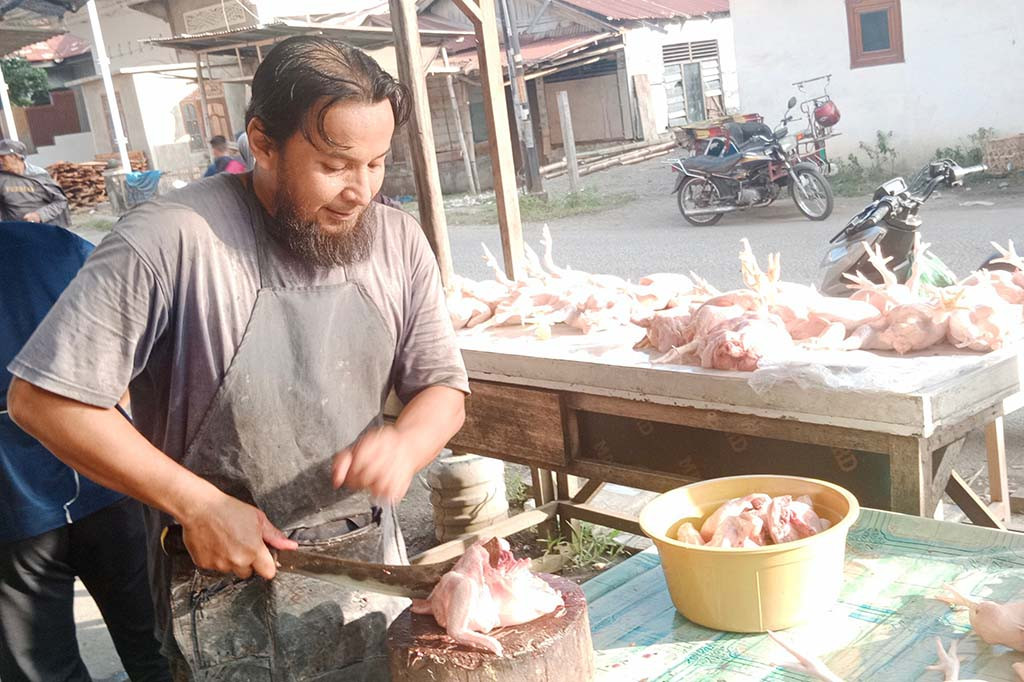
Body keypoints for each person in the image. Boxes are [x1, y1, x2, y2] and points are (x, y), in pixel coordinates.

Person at [7, 35, 468, 681]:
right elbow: (45, 400)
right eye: (336, 165)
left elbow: (442, 386)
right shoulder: (169, 240)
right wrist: (196, 504)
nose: (360, 190)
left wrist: (408, 442)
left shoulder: (396, 239)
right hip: (216, 579)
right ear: (262, 140)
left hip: (366, 564)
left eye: (376, 163)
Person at [0, 222, 170, 682]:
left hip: (15, 508)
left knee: (43, 667)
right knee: (152, 643)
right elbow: (139, 357)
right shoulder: (60, 246)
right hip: (107, 474)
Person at [0, 140, 71, 227]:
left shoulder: (38, 175)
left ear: (15, 157)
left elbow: (60, 201)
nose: (0, 161)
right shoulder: (2, 178)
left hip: (44, 229)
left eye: (2, 157)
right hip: (16, 231)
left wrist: (39, 215)